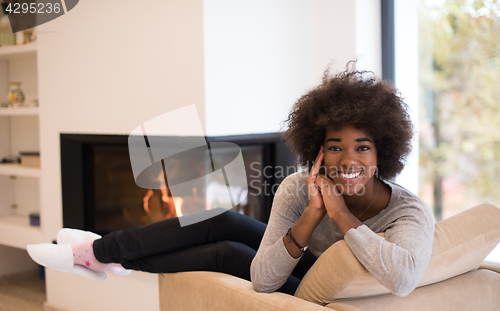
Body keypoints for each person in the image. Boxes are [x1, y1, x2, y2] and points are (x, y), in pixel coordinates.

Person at [27, 64, 435, 297]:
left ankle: (97, 256)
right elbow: (269, 271)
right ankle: (101, 251)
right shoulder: (299, 187)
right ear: (317, 151)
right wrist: (312, 213)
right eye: (334, 147)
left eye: (362, 147)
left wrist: (341, 215)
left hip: (329, 293)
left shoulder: (409, 211)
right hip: (310, 266)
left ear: (383, 151)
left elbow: (402, 279)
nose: (348, 159)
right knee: (221, 219)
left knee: (225, 253)